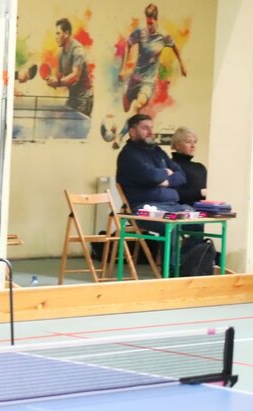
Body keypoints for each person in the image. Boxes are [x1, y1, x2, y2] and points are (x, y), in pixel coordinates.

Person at [116, 114, 198, 265]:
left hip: (173, 205)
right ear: (132, 132)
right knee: (171, 226)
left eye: (151, 128)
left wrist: (165, 181)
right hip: (144, 208)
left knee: (199, 222)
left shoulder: (157, 151)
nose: (150, 132)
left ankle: (188, 266)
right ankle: (171, 270)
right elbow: (151, 177)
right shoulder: (128, 155)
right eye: (145, 128)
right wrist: (166, 172)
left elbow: (181, 175)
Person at [115, 4, 187, 145]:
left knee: (137, 107)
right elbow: (128, 44)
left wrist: (182, 65)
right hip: (135, 78)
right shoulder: (140, 33)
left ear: (156, 20)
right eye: (147, 23)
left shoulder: (164, 36)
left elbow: (174, 47)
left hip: (148, 82)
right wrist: (123, 68)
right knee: (126, 107)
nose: (149, 26)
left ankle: (120, 136)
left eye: (151, 23)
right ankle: (124, 90)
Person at [45, 18, 93, 117]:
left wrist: (58, 82)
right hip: (73, 97)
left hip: (84, 97)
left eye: (58, 33)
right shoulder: (61, 54)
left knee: (79, 125)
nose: (55, 37)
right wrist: (52, 80)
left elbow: (75, 77)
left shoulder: (77, 50)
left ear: (66, 33)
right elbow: (61, 77)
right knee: (66, 121)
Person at [170, 127, 208, 206]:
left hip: (202, 210)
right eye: (188, 142)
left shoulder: (200, 167)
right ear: (177, 145)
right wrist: (200, 193)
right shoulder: (171, 166)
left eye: (194, 142)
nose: (193, 146)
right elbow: (171, 194)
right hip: (178, 210)